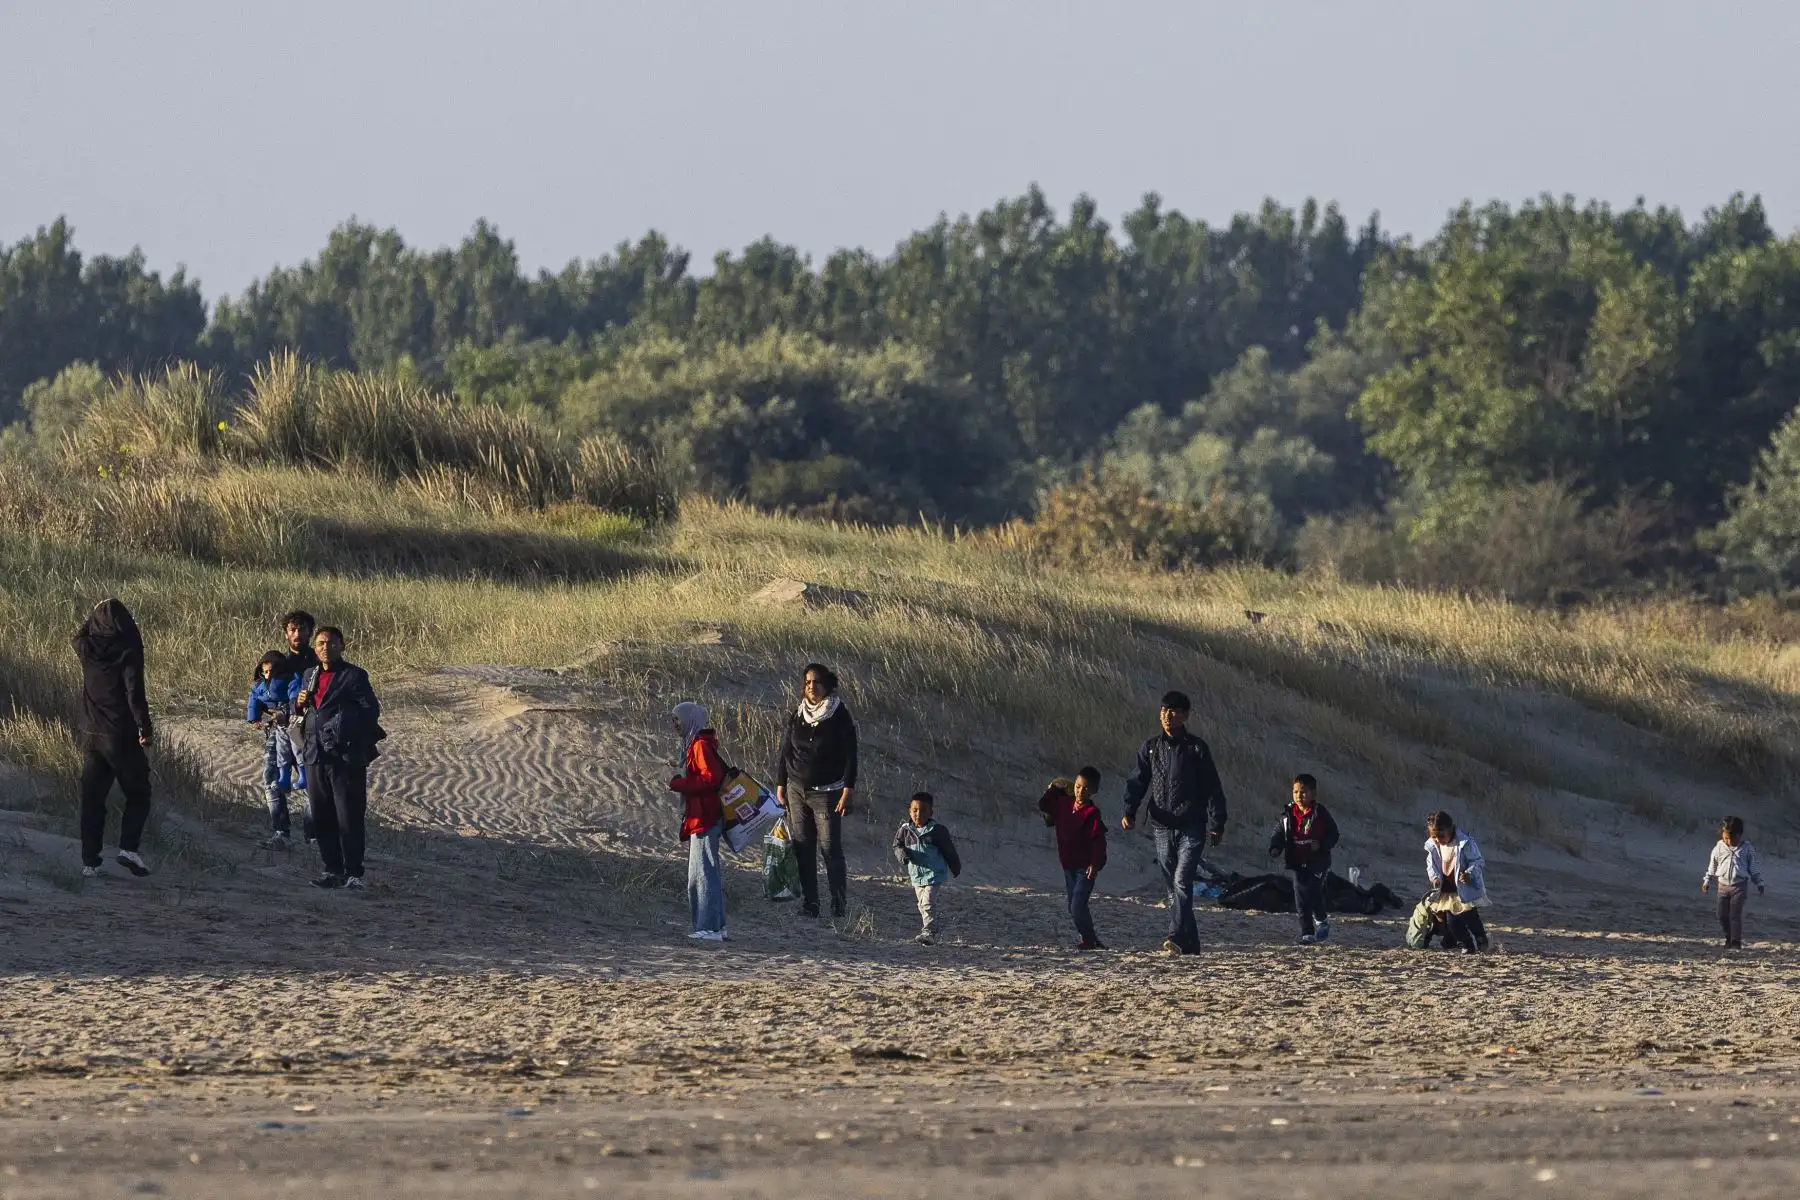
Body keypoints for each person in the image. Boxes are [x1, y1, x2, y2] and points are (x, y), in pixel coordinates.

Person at [1122, 691, 1228, 955]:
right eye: (1163, 710)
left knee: (1182, 881)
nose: (1167, 715)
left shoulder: (1196, 748)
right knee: (1173, 887)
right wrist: (1130, 810)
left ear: (1185, 715)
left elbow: (1213, 787)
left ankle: (1176, 936)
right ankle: (1191, 943)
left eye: (1173, 711)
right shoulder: (1150, 748)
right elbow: (1138, 782)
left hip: (1191, 825)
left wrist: (1217, 823)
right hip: (1161, 826)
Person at [71, 599, 155, 878]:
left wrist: (96, 611)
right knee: (139, 793)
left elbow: (78, 635)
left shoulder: (86, 649)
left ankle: (89, 862)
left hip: (92, 737)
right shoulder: (128, 651)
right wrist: (145, 728)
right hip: (121, 736)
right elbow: (134, 693)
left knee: (93, 800)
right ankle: (128, 849)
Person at [295, 627, 384, 890]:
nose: (325, 647)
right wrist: (299, 702)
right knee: (321, 815)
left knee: (349, 816)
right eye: (321, 643)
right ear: (315, 647)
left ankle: (354, 873)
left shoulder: (354, 675)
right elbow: (303, 710)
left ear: (342, 646)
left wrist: (347, 730)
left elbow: (371, 711)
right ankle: (332, 870)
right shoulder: (309, 675)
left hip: (345, 757)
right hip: (314, 753)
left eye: (331, 643)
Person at [774, 663, 858, 919]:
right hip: (796, 789)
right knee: (803, 846)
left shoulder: (839, 714)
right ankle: (811, 904)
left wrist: (848, 790)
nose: (812, 687)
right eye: (808, 682)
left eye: (817, 682)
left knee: (830, 849)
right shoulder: (799, 712)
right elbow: (786, 749)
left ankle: (838, 905)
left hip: (828, 792)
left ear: (828, 685)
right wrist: (781, 784)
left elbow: (851, 755)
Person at [669, 701, 728, 943]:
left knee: (703, 875)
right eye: (673, 721)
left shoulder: (701, 745)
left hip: (705, 817)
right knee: (700, 875)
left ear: (690, 719)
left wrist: (678, 783)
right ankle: (714, 926)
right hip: (699, 817)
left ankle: (709, 928)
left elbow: (710, 779)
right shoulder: (693, 744)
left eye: (678, 720)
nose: (675, 725)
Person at [1038, 767, 1109, 950]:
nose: (1080, 792)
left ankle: (1087, 940)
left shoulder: (1093, 813)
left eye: (1086, 789)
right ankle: (1092, 938)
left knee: (1078, 905)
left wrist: (1095, 864)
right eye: (1077, 787)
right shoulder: (1063, 805)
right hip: (1068, 865)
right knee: (1073, 907)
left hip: (1085, 868)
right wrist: (1055, 788)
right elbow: (1043, 804)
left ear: (1094, 791)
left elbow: (1098, 842)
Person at [1268, 773, 1340, 945]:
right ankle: (1307, 933)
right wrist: (1275, 847)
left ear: (1314, 793)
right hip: (1297, 862)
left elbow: (1334, 834)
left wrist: (1321, 845)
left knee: (1313, 892)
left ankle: (1321, 919)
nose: (1299, 796)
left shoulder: (1320, 813)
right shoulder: (1288, 813)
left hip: (1318, 862)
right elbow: (1278, 832)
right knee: (1300, 896)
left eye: (1304, 792)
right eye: (1296, 792)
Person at [246, 651, 302, 849]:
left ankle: (315, 834)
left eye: (272, 671)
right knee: (271, 778)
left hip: (301, 729)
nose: (269, 675)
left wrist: (286, 710)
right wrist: (255, 717)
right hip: (276, 732)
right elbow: (254, 700)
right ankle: (280, 832)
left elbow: (297, 699)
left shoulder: (304, 669)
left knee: (311, 780)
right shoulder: (260, 685)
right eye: (266, 671)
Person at [892, 792, 960, 945]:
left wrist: (955, 867)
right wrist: (903, 856)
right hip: (916, 875)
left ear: (931, 812)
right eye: (915, 810)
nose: (918, 814)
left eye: (923, 810)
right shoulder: (905, 830)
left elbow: (949, 850)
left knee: (927, 902)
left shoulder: (937, 830)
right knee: (921, 904)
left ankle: (929, 931)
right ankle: (933, 927)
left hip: (934, 874)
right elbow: (897, 845)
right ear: (909, 810)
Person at [277, 609, 317, 842]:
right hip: (282, 729)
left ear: (310, 632)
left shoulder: (318, 660)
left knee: (310, 784)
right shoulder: (278, 662)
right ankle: (281, 832)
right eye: (292, 629)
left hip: (310, 729)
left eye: (302, 629)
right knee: (276, 780)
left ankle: (312, 835)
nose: (297, 633)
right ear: (285, 634)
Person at [1425, 811, 1489, 953]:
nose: (1438, 840)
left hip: (1464, 889)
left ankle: (1481, 938)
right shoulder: (1433, 845)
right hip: (1447, 891)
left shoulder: (1464, 843)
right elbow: (1431, 865)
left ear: (1451, 829)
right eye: (1434, 836)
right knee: (1452, 922)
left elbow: (1478, 862)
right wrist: (1434, 877)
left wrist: (1469, 874)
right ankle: (1467, 944)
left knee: (1471, 918)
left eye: (1441, 836)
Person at [1702, 816, 1765, 950]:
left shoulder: (1747, 848)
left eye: (1732, 839)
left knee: (1734, 915)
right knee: (1721, 915)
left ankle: (1736, 942)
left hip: (1739, 886)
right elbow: (1712, 865)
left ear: (1740, 835)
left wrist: (1759, 882)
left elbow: (1753, 868)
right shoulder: (1719, 847)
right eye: (1726, 838)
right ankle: (1728, 937)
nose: (1729, 841)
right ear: (1722, 835)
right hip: (1722, 886)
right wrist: (1707, 880)